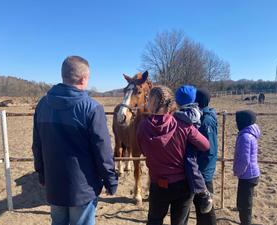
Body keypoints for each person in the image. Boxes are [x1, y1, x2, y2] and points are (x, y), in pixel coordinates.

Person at [32, 56, 118, 225]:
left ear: (63, 75)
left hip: (54, 184)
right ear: (83, 79)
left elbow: (37, 145)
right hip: (83, 189)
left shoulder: (42, 104)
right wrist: (110, 181)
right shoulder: (92, 108)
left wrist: (42, 174)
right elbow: (103, 151)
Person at [136, 85, 210, 225]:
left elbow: (143, 150)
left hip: (158, 184)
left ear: (150, 102)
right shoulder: (183, 124)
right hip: (182, 185)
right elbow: (205, 145)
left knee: (154, 220)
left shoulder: (143, 126)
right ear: (171, 103)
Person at [173, 85, 213, 214]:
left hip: (190, 141)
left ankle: (203, 191)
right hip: (192, 139)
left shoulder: (185, 113)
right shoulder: (195, 109)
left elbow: (183, 122)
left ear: (178, 101)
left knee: (190, 161)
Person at [194, 88, 218, 225]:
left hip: (204, 172)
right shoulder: (203, 117)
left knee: (207, 207)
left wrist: (202, 173)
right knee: (200, 207)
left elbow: (210, 149)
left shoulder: (206, 121)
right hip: (202, 169)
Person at [233, 110, 260, 225]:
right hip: (249, 174)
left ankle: (246, 222)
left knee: (245, 204)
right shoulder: (249, 134)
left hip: (247, 175)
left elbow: (244, 160)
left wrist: (238, 171)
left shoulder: (245, 137)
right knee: (243, 200)